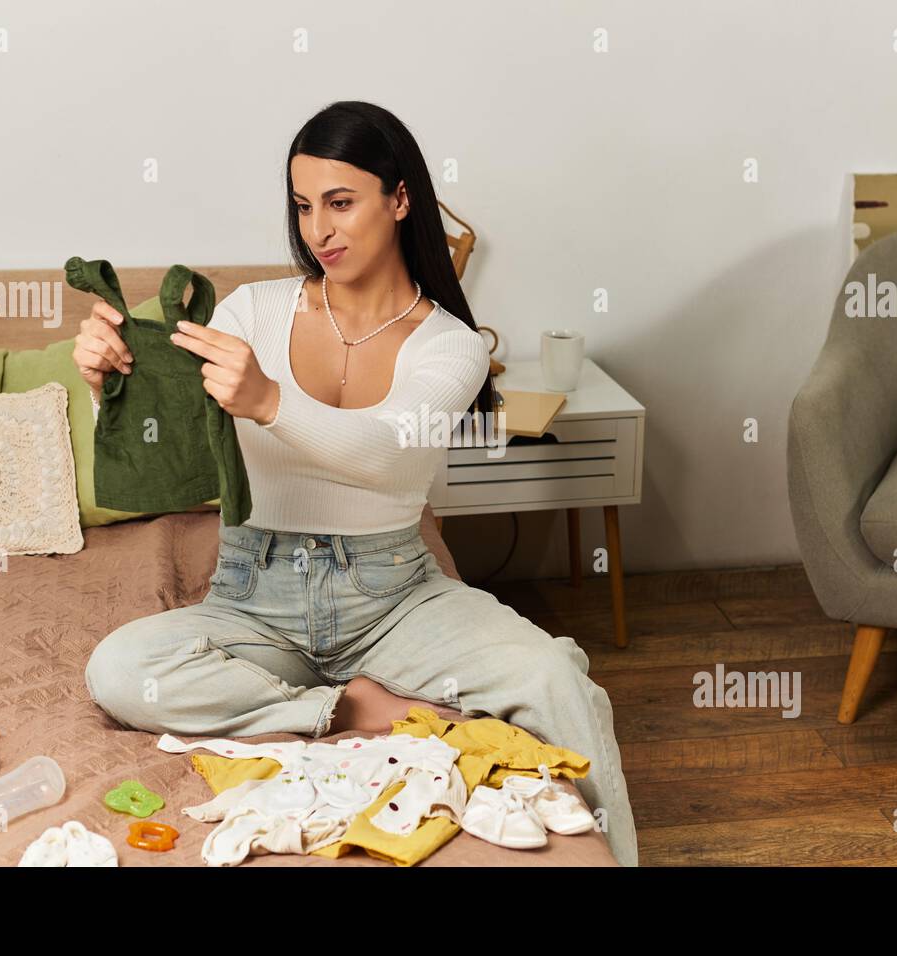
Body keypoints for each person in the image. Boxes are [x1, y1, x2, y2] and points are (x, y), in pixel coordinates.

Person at [76, 100, 638, 867]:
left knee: (556, 680)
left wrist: (268, 400)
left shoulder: (452, 344)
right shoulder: (253, 311)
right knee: (120, 668)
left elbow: (384, 453)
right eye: (304, 207)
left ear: (400, 199)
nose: (318, 231)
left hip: (392, 599)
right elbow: (173, 437)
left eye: (341, 203)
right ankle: (345, 708)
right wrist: (113, 379)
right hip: (254, 598)